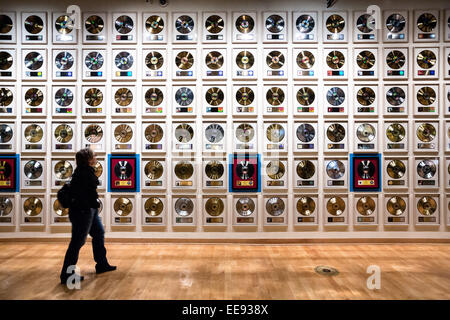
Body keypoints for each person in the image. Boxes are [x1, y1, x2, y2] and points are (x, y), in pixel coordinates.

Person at [60, 148, 116, 285]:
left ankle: (102, 264)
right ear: (88, 160)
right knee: (77, 242)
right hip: (83, 212)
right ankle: (67, 275)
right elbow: (84, 194)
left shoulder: (83, 171)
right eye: (94, 155)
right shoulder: (84, 173)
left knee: (98, 233)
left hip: (89, 210)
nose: (96, 157)